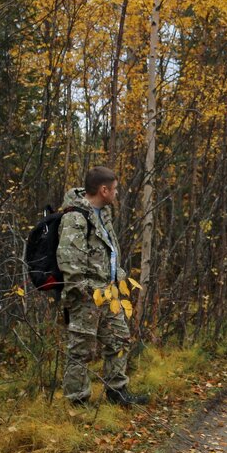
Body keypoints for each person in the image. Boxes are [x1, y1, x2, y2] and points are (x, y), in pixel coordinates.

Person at [57, 166, 148, 407]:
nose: (117, 193)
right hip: (87, 297)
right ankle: (77, 402)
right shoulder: (75, 217)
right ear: (103, 189)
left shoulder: (103, 214)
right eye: (115, 189)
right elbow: (69, 261)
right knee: (80, 349)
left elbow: (110, 251)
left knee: (119, 339)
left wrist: (118, 278)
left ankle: (117, 392)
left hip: (110, 292)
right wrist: (84, 293)